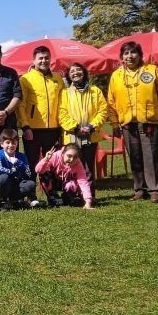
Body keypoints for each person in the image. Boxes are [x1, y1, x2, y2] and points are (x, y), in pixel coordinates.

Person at [107, 41, 158, 203]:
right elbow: (111, 102)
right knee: (135, 157)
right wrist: (115, 124)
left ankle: (155, 190)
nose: (130, 56)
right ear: (121, 57)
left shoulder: (152, 70)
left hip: (149, 121)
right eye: (126, 53)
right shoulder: (116, 75)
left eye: (133, 52)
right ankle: (139, 189)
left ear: (140, 54)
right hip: (128, 123)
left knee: (152, 157)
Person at [58, 63, 107, 201]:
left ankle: (89, 196)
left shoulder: (95, 91)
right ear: (68, 75)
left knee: (88, 168)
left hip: (91, 135)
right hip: (72, 137)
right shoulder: (65, 93)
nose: (75, 73)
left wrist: (91, 126)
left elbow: (103, 111)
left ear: (84, 72)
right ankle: (71, 195)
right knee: (70, 167)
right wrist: (76, 127)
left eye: (78, 70)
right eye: (72, 71)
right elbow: (62, 113)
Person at [17, 46, 65, 168]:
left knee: (53, 162)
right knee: (32, 163)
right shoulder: (25, 79)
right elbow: (20, 105)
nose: (44, 61)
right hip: (32, 129)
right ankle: (31, 186)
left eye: (47, 58)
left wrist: (63, 125)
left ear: (50, 59)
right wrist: (25, 126)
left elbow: (63, 103)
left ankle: (51, 187)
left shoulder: (58, 78)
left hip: (54, 128)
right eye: (40, 58)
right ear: (34, 60)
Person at [35, 144, 93, 210]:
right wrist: (45, 159)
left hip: (66, 183)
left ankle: (68, 197)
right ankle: (53, 197)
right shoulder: (54, 156)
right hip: (53, 181)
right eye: (69, 156)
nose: (71, 159)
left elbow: (83, 182)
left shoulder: (78, 164)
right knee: (44, 175)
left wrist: (88, 202)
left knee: (73, 185)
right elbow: (38, 170)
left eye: (75, 157)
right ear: (63, 153)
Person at [0, 129, 39, 209]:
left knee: (31, 184)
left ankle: (15, 200)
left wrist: (19, 164)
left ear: (17, 144)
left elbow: (28, 174)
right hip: (3, 184)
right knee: (3, 178)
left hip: (17, 184)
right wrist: (13, 171)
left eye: (14, 143)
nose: (11, 145)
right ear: (1, 144)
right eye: (7, 142)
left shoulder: (21, 156)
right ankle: (4, 201)